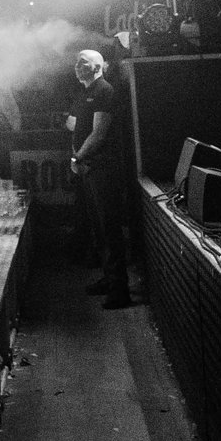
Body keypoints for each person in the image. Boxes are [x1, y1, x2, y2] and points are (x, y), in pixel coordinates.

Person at [68, 49, 133, 309]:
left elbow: (99, 133)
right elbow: (75, 126)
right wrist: (78, 157)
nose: (77, 66)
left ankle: (120, 291)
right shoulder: (85, 93)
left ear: (97, 67)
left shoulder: (104, 91)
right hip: (90, 168)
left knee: (109, 228)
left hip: (103, 169)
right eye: (77, 62)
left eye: (82, 62)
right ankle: (109, 279)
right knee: (99, 228)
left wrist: (78, 157)